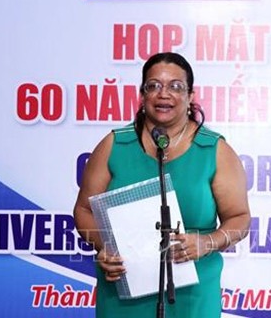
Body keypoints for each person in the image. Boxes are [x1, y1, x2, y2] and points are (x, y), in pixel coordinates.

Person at [74, 52, 251, 318]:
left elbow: (239, 218)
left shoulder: (215, 150)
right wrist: (105, 246)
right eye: (154, 85)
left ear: (191, 96)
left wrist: (208, 242)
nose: (163, 94)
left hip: (192, 296)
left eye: (175, 86)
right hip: (124, 291)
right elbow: (83, 210)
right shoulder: (114, 145)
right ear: (142, 94)